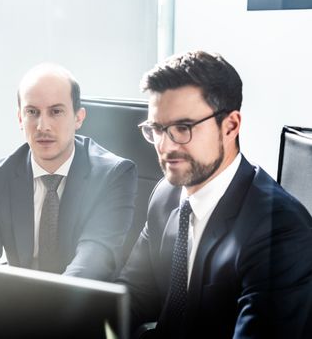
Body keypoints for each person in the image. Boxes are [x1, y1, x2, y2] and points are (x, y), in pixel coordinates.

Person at [117, 51, 312, 338]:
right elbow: (131, 296)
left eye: (183, 128)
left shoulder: (280, 230)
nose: (166, 146)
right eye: (157, 129)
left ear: (230, 126)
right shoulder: (166, 196)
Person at [0, 63, 138, 281]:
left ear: (78, 118)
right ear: (19, 119)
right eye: (32, 112)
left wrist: (43, 311)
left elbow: (93, 261)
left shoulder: (113, 176)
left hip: (82, 306)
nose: (43, 126)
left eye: (56, 112)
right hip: (18, 303)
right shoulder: (0, 175)